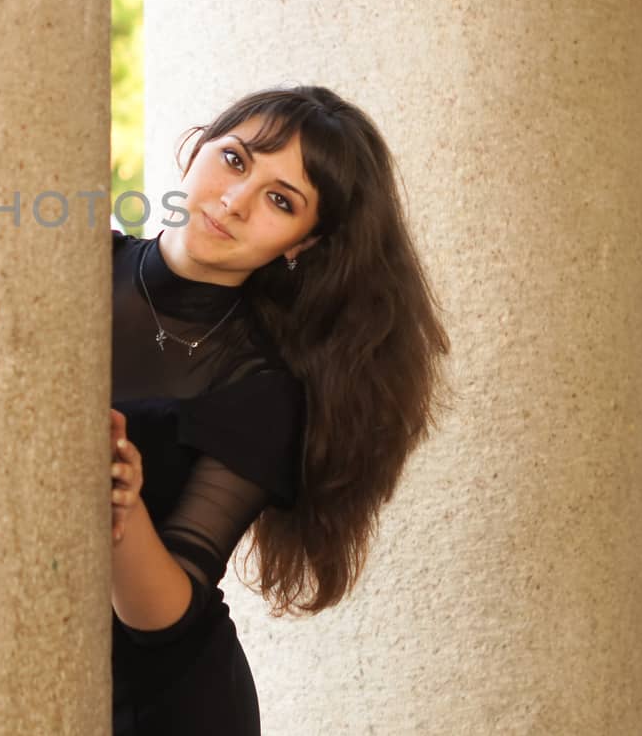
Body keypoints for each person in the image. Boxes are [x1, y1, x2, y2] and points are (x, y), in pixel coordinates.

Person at [106, 84, 451, 735]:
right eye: (236, 160)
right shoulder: (72, 266)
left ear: (303, 244)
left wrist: (120, 510)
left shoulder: (261, 386)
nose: (235, 202)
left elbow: (167, 613)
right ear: (197, 149)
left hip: (164, 709)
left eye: (280, 200)